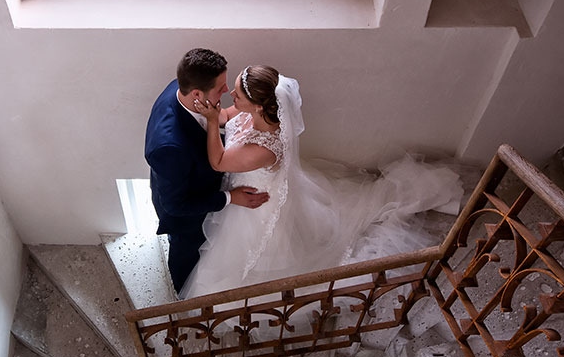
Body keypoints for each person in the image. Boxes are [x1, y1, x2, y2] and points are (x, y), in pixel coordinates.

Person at [180, 65, 463, 299]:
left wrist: (213, 119)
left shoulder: (263, 149)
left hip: (255, 203)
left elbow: (218, 161)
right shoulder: (251, 111)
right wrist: (218, 115)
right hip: (256, 184)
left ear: (258, 105)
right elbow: (230, 115)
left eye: (238, 94)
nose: (231, 96)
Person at [145, 48, 269, 292]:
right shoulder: (169, 148)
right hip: (186, 213)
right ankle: (184, 294)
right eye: (220, 87)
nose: (226, 91)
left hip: (194, 178)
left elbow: (219, 121)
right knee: (186, 253)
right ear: (197, 94)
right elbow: (175, 205)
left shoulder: (180, 87)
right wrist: (231, 197)